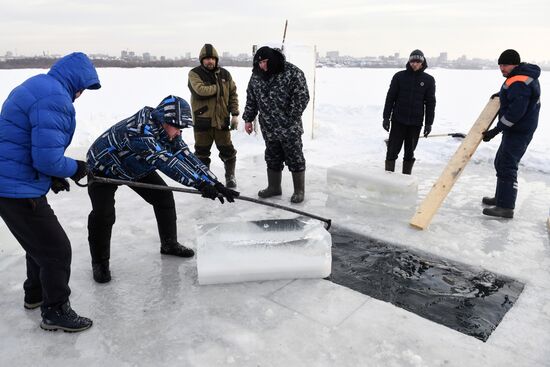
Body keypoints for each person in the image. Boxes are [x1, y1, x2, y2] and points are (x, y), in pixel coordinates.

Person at [86, 95, 239, 283]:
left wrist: (214, 183)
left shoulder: (167, 130)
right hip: (103, 169)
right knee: (104, 214)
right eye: (178, 127)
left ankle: (169, 244)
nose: (179, 133)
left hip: (135, 166)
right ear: (164, 120)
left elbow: (184, 155)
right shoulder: (140, 131)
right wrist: (199, 184)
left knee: (163, 198)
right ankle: (99, 263)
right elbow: (166, 161)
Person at [0, 52, 101, 332]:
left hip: (12, 181)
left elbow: (25, 142)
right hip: (17, 188)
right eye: (83, 87)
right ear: (76, 81)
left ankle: (35, 295)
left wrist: (53, 176)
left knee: (38, 245)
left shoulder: (36, 85)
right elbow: (46, 158)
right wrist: (74, 168)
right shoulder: (55, 99)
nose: (80, 94)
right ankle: (55, 310)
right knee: (56, 249)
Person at [243, 46, 310, 203]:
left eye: (265, 62)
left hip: (289, 128)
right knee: (272, 157)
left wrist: (289, 116)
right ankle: (274, 187)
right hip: (268, 127)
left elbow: (302, 97)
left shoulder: (292, 72)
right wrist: (248, 119)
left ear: (272, 60)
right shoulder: (256, 76)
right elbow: (251, 99)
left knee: (295, 157)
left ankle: (299, 191)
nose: (262, 66)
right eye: (259, 63)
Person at [481, 49, 541, 219]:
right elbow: (517, 96)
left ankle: (506, 207)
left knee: (507, 165)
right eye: (500, 65)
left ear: (515, 64)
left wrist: (495, 130)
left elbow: (516, 112)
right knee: (500, 161)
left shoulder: (519, 81)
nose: (502, 68)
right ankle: (501, 197)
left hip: (519, 130)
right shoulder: (519, 77)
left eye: (505, 65)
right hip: (516, 129)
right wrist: (502, 94)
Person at [188, 44, 240, 188]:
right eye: (206, 59)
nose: (209, 61)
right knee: (202, 153)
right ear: (202, 60)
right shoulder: (194, 73)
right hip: (202, 121)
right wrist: (219, 87)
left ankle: (230, 177)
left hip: (221, 120)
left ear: (216, 59)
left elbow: (233, 95)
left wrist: (235, 114)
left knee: (228, 151)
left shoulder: (225, 74)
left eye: (212, 58)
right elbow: (199, 91)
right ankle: (206, 179)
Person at [382, 49, 436, 174]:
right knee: (391, 151)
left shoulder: (428, 80)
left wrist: (429, 123)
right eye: (412, 61)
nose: (414, 64)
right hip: (398, 120)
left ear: (422, 62)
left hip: (415, 123)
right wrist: (386, 117)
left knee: (409, 152)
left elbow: (430, 103)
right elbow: (390, 98)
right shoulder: (399, 77)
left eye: (417, 61)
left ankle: (406, 179)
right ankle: (388, 178)